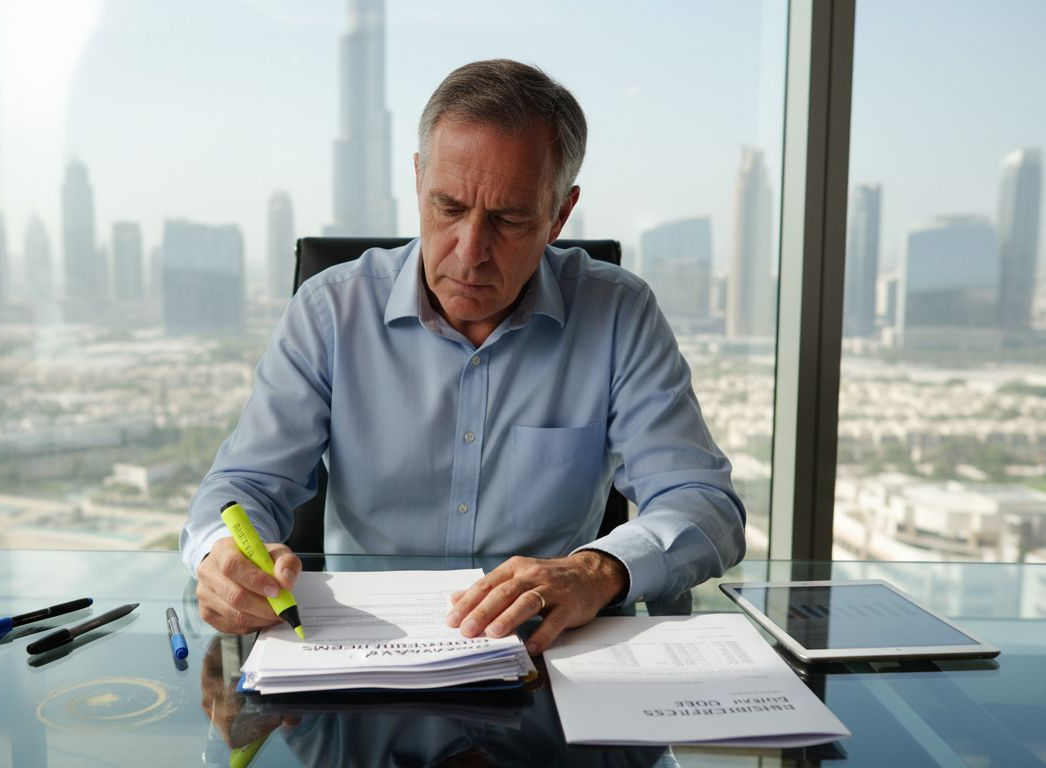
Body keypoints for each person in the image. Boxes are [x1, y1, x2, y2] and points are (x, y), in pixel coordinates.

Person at [181, 59, 744, 656]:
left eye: (509, 218)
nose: (470, 252)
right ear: (419, 179)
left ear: (560, 214)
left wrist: (595, 571)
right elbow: (243, 485)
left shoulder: (617, 313)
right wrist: (221, 553)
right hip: (359, 655)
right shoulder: (330, 310)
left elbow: (703, 503)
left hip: (540, 652)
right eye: (448, 208)